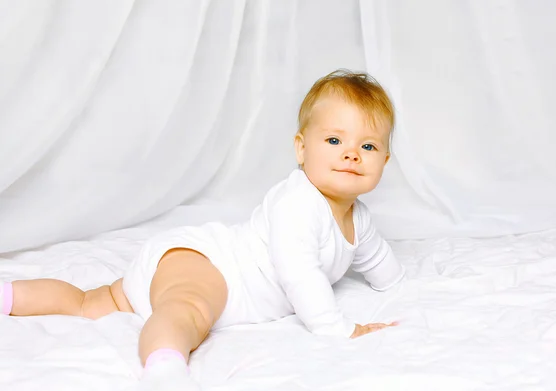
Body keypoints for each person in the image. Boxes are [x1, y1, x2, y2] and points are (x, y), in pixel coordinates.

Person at [0, 69, 405, 390]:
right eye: (334, 139)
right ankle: (163, 372)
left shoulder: (359, 218)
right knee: (189, 312)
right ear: (301, 148)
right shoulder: (297, 204)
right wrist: (339, 329)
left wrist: (397, 283)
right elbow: (300, 274)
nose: (352, 153)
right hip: (211, 267)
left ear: (384, 162)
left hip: (187, 263)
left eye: (368, 146)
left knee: (89, 303)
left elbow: (379, 262)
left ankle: (9, 295)